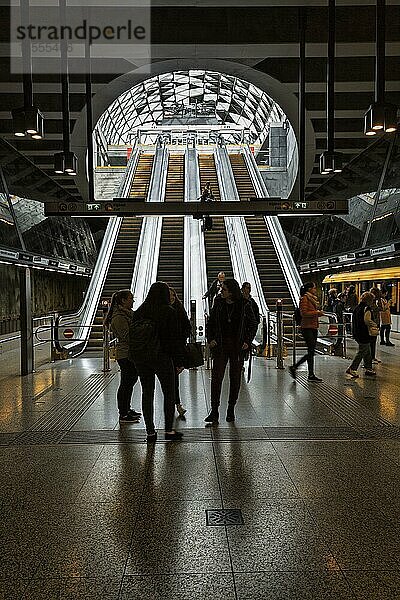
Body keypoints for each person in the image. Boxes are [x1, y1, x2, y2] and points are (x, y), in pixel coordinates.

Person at [132, 281, 186, 442]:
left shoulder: (140, 311)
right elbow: (174, 339)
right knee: (169, 393)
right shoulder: (168, 311)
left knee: (147, 393)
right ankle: (169, 431)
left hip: (142, 358)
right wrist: (179, 361)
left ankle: (150, 432)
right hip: (162, 357)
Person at [205, 278, 258, 423]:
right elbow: (210, 323)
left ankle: (230, 409)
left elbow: (253, 324)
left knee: (234, 378)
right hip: (220, 346)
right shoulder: (218, 303)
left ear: (232, 291)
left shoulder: (245, 305)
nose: (221, 291)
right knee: (216, 379)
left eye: (224, 289)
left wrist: (248, 341)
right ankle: (214, 411)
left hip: (238, 347)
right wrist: (210, 339)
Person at [104, 289, 141, 423]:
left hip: (130, 353)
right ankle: (123, 413)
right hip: (125, 354)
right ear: (123, 301)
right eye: (131, 298)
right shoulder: (119, 317)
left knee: (130, 382)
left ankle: (127, 408)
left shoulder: (128, 314)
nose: (133, 301)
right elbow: (126, 336)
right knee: (126, 383)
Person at [289, 282, 324, 382]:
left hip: (313, 327)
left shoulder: (312, 299)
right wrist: (317, 313)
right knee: (311, 351)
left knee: (311, 351)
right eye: (314, 288)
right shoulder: (304, 299)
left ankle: (310, 374)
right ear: (309, 289)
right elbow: (303, 313)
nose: (315, 290)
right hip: (307, 327)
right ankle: (296, 367)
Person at [169, 286, 192, 417]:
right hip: (165, 350)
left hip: (176, 349)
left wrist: (181, 337)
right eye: (169, 295)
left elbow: (187, 327)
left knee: (173, 380)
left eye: (173, 295)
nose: (171, 297)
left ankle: (177, 404)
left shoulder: (179, 310)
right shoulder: (162, 310)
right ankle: (175, 405)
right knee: (170, 380)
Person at [345, 291, 378, 378]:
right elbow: (367, 320)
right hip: (364, 333)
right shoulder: (367, 308)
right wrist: (374, 324)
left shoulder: (357, 308)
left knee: (368, 351)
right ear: (370, 300)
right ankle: (352, 368)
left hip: (357, 332)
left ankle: (368, 368)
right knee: (362, 351)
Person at [325, 288, 344, 356]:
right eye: (335, 293)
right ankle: (333, 338)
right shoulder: (333, 300)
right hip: (334, 315)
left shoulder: (331, 299)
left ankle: (331, 335)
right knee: (335, 326)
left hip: (332, 315)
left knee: (333, 325)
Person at [369, 287, 382, 364]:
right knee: (372, 341)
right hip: (373, 324)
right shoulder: (372, 304)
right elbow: (380, 310)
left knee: (373, 342)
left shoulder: (374, 302)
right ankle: (371, 358)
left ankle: (372, 357)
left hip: (374, 324)